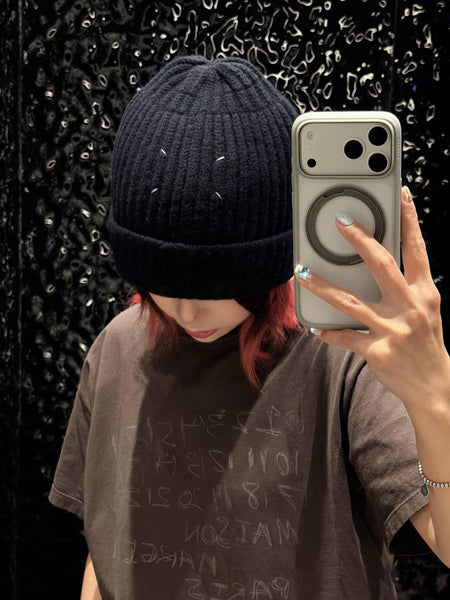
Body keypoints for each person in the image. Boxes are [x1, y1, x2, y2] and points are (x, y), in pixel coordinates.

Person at [49, 55, 450, 600]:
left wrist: (434, 395)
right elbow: (110, 545)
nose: (188, 312)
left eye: (217, 286)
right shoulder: (118, 346)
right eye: (163, 283)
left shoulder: (342, 358)